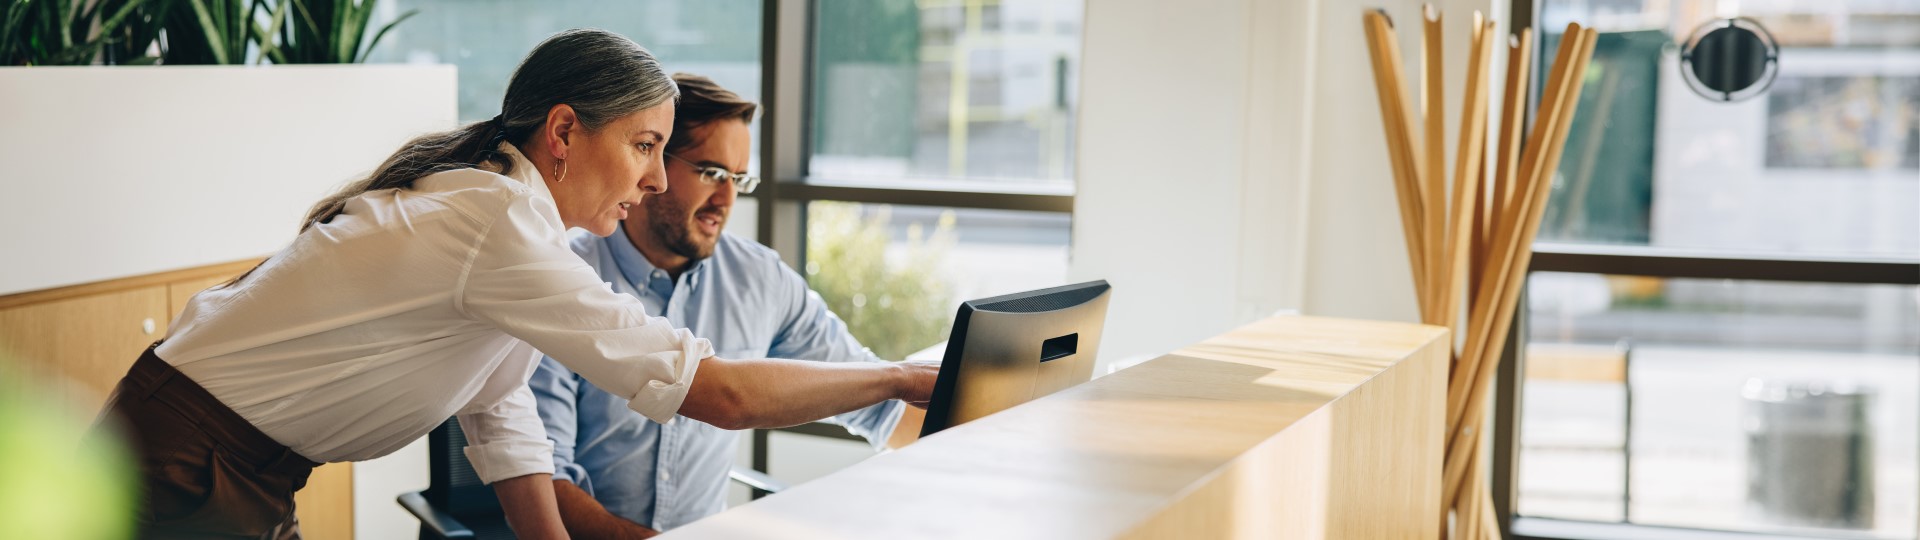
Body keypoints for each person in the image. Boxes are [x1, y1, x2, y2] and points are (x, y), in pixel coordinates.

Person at [96, 29, 936, 540]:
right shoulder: (496, 225)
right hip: (187, 457)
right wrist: (900, 375)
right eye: (646, 146)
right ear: (565, 130)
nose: (653, 181)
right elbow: (714, 393)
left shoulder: (509, 227)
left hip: (229, 456)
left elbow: (501, 415)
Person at [531, 74, 925, 538]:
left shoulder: (760, 279)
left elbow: (880, 408)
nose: (727, 198)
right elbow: (545, 480)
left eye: (739, 178)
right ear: (649, 160)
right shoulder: (564, 279)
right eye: (712, 173)